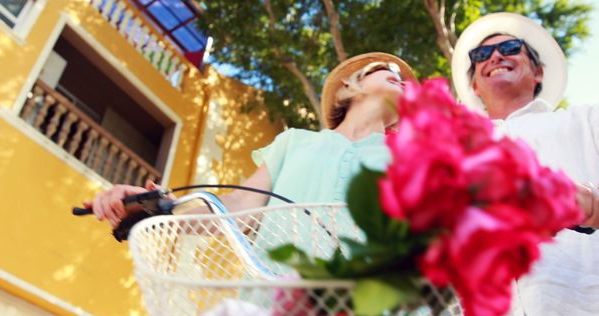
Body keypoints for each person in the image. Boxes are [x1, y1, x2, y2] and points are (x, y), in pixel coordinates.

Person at [85, 52, 417, 232]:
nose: (399, 77)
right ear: (350, 84)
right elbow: (240, 208)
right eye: (386, 68)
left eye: (405, 80)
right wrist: (158, 208)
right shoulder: (294, 142)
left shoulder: (411, 161)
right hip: (274, 312)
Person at [451, 12, 599, 316]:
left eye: (510, 46)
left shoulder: (589, 119)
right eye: (481, 55)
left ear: (538, 72)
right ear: (475, 86)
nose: (495, 56)